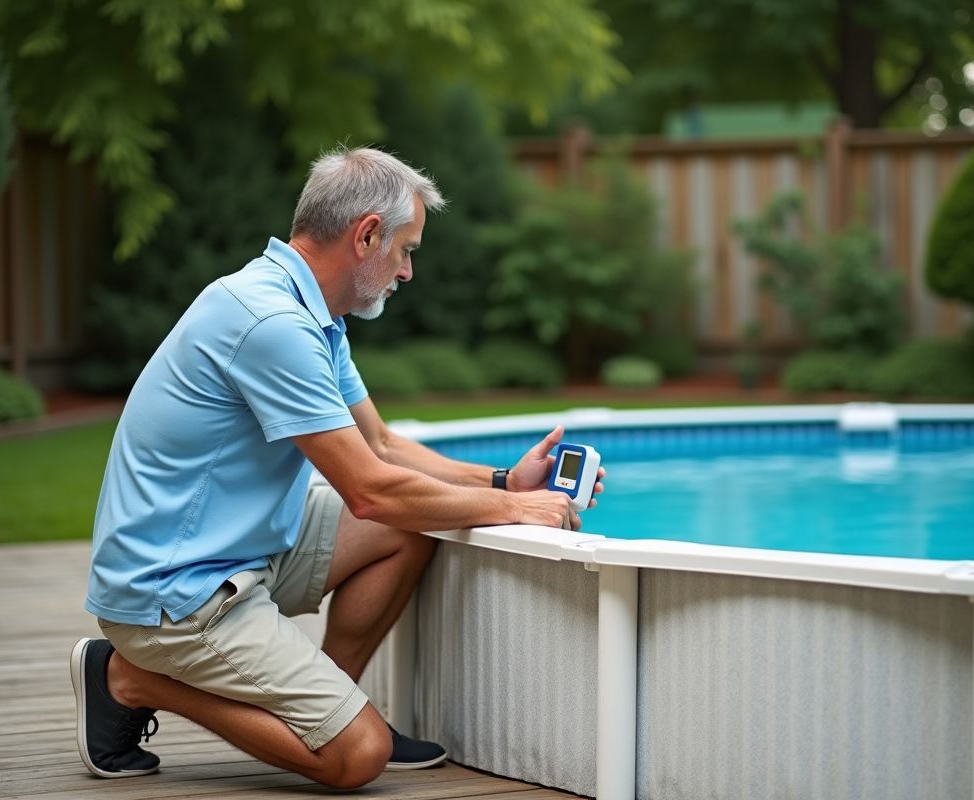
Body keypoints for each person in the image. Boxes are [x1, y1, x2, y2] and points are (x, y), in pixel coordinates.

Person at [70, 146, 604, 789]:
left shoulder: (314, 316)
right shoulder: (271, 323)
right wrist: (519, 511)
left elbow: (379, 446)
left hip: (240, 550)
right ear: (367, 235)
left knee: (415, 525)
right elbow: (371, 491)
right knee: (358, 758)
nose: (407, 271)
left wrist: (502, 482)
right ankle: (127, 679)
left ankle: (329, 704)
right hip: (173, 593)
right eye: (405, 250)